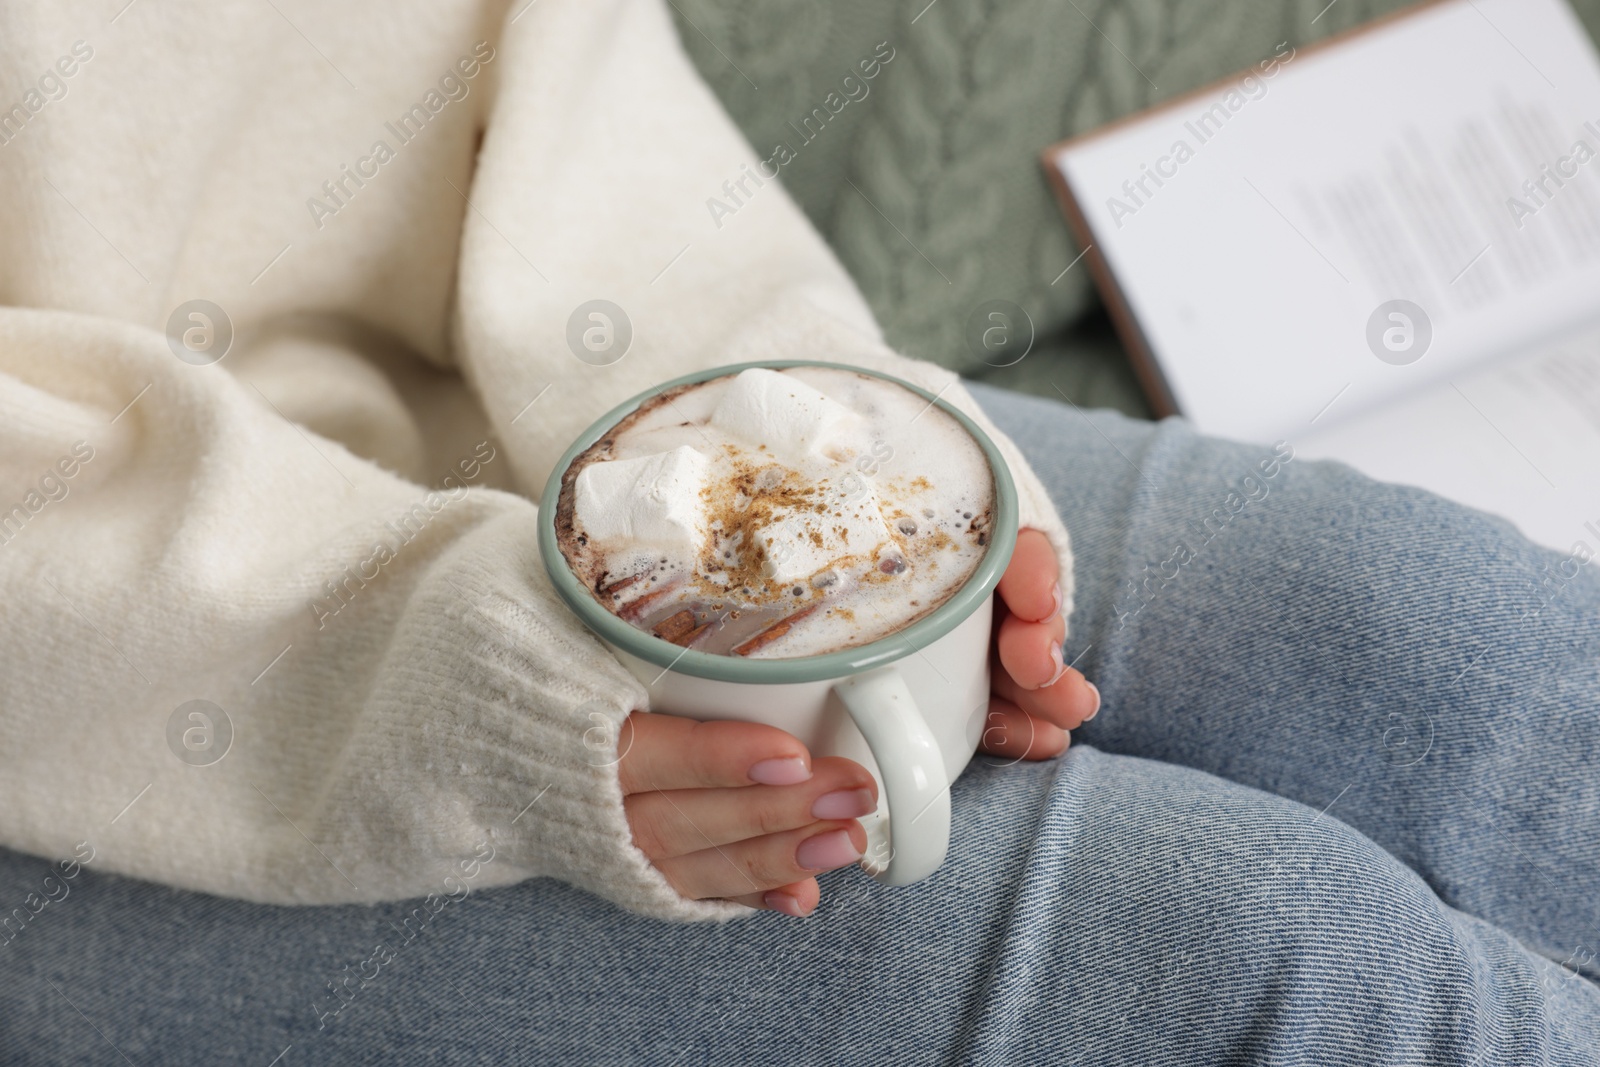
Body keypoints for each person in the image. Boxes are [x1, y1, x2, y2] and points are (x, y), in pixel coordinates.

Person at [2, 1, 1597, 1064]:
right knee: (1270, 961)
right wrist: (422, 677)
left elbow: (537, 64)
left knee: (1475, 659)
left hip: (513, 395)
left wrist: (806, 424)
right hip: (71, 696)